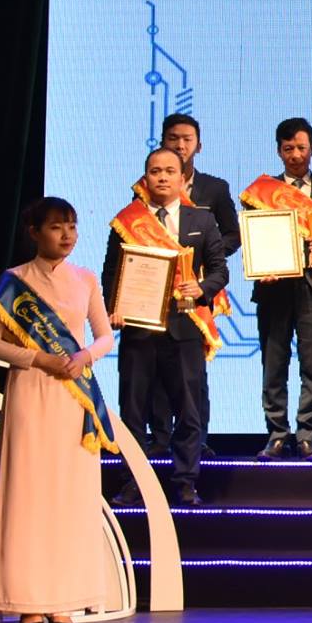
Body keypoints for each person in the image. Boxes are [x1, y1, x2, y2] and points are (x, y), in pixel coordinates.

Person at [0, 197, 125, 623]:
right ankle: (28, 600)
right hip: (31, 390)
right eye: (57, 227)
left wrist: (84, 356)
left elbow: (104, 337)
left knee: (69, 494)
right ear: (34, 232)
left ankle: (65, 600)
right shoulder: (14, 281)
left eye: (72, 227)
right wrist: (37, 358)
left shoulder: (85, 279)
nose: (67, 235)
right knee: (29, 492)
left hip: (73, 394)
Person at [104, 148, 228, 507]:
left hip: (184, 329)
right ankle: (133, 482)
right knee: (133, 411)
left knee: (188, 409)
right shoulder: (127, 221)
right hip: (138, 329)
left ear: (181, 178)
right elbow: (111, 273)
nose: (162, 177)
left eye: (169, 171)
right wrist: (114, 308)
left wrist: (201, 288)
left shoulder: (202, 220)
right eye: (155, 171)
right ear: (146, 177)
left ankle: (186, 481)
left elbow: (220, 270)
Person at [243, 117, 312, 460]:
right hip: (274, 289)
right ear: (279, 151)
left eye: (301, 148)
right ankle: (277, 434)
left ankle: (307, 436)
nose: (295, 155)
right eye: (288, 148)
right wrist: (263, 266)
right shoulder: (261, 192)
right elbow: (252, 235)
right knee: (273, 365)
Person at [142, 112, 239, 454]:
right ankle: (160, 437)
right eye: (173, 138)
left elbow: (232, 234)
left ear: (199, 145)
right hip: (156, 292)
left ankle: (196, 440)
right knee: (156, 368)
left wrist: (203, 261)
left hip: (197, 290)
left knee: (192, 370)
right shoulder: (145, 188)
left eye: (187, 139)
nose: (180, 145)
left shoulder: (215, 188)